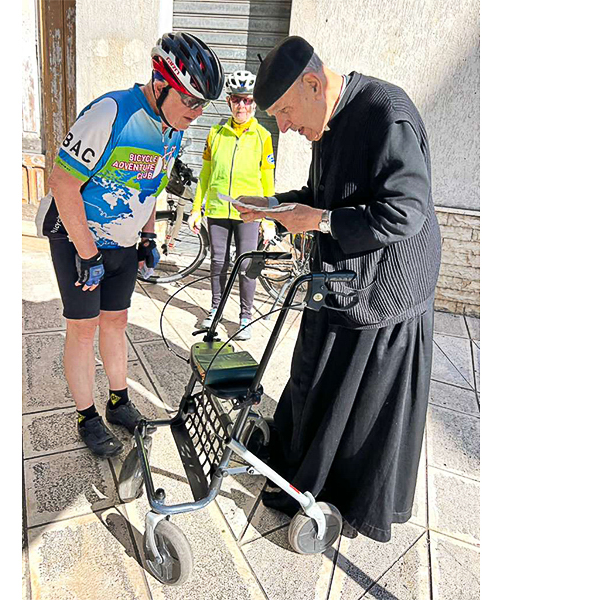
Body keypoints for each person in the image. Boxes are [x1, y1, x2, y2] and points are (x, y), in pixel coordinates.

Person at [233, 36, 442, 543]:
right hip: (339, 280)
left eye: (285, 113)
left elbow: (406, 211)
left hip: (385, 290)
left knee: (353, 401)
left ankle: (338, 498)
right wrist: (275, 206)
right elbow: (320, 197)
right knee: (312, 376)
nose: (284, 127)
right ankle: (297, 470)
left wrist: (320, 220)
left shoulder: (386, 114)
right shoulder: (325, 121)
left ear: (313, 83)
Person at [35, 32, 223, 456]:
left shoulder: (172, 128)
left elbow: (150, 185)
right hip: (76, 236)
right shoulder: (112, 112)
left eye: (202, 105)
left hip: (120, 240)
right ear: (160, 85)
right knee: (83, 328)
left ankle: (118, 401)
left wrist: (148, 235)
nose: (196, 113)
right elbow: (62, 183)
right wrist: (87, 254)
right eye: (190, 101)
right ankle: (86, 416)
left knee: (117, 321)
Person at [188, 69, 277, 341]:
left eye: (247, 100)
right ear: (229, 101)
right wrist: (196, 209)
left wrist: (268, 219)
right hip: (217, 210)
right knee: (218, 262)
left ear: (254, 103)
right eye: (237, 100)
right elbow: (205, 174)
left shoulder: (263, 136)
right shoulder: (215, 133)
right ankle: (216, 309)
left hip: (249, 213)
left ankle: (245, 316)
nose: (242, 106)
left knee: (247, 263)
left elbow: (267, 181)